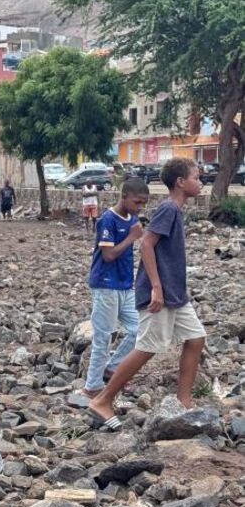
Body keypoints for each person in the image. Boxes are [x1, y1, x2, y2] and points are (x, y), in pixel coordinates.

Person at [88, 158, 207, 430]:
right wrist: (156, 287)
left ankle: (184, 398)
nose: (200, 183)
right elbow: (146, 245)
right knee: (147, 347)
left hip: (176, 293)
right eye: (196, 177)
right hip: (161, 292)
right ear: (180, 182)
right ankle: (102, 400)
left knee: (196, 337)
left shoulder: (175, 210)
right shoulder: (167, 208)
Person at [82, 178, 149, 400]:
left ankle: (112, 366)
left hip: (124, 285)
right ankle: (92, 385)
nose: (140, 207)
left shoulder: (132, 219)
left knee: (139, 329)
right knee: (103, 336)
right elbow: (108, 255)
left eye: (143, 204)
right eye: (137, 202)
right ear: (124, 196)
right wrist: (131, 237)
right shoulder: (107, 220)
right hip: (105, 284)